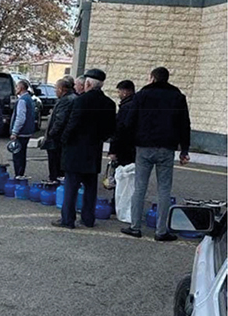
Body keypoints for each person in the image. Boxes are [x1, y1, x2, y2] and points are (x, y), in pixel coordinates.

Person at [121, 67, 191, 242]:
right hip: (167, 147)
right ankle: (161, 231)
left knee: (140, 188)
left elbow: (129, 121)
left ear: (152, 78)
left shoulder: (142, 95)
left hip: (144, 147)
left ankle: (135, 227)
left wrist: (129, 144)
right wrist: (184, 150)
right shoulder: (178, 97)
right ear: (167, 79)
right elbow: (185, 124)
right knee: (164, 189)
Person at [52, 69, 116, 229]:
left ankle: (68, 219)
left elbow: (73, 123)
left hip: (75, 149)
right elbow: (110, 129)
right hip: (93, 150)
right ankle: (88, 218)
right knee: (90, 188)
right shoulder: (109, 103)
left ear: (87, 83)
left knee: (71, 187)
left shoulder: (81, 101)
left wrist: (63, 140)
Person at [41, 78, 77, 182]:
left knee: (55, 164)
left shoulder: (66, 100)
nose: (55, 91)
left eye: (56, 88)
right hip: (60, 139)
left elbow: (60, 119)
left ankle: (54, 182)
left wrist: (51, 133)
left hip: (57, 140)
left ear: (62, 89)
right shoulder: (70, 98)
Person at [10, 80, 35, 177]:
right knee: (22, 155)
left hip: (21, 132)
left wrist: (14, 132)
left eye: (16, 87)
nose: (15, 89)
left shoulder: (22, 100)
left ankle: (18, 175)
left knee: (18, 156)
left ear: (20, 88)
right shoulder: (30, 99)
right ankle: (20, 174)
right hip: (27, 131)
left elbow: (20, 117)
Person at [109, 80, 136, 167]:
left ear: (125, 92)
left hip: (123, 146)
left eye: (119, 91)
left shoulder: (125, 107)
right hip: (134, 145)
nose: (118, 94)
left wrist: (113, 150)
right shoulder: (137, 104)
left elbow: (119, 129)